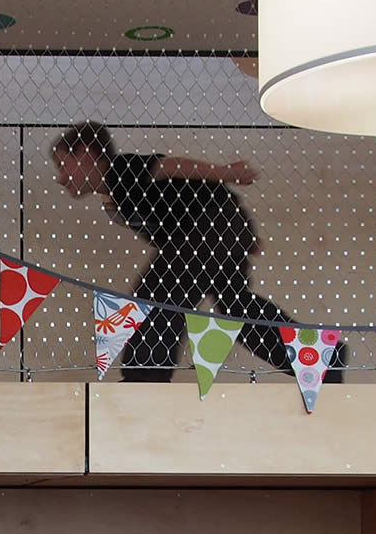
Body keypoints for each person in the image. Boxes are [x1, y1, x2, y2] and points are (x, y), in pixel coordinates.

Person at [51, 121, 345, 384]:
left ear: (87, 154)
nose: (61, 178)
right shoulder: (111, 199)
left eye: (64, 165)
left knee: (158, 292)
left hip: (209, 225)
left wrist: (225, 173)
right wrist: (242, 235)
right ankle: (322, 359)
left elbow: (171, 166)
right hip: (218, 228)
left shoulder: (120, 172)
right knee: (236, 308)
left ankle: (144, 377)